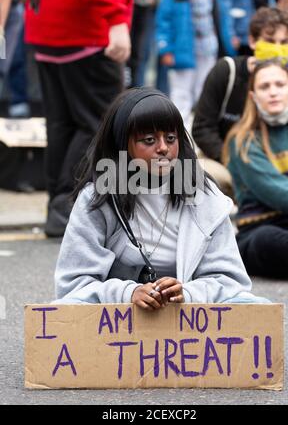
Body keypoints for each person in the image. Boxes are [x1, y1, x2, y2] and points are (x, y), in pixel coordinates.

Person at [54, 87, 269, 306]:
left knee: (259, 307)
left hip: (187, 317)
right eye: (149, 140)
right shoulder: (98, 198)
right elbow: (73, 285)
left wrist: (187, 293)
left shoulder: (204, 195)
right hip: (117, 319)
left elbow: (232, 282)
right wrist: (128, 293)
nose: (163, 148)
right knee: (59, 310)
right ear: (122, 145)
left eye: (170, 138)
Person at [25, 0, 133, 238]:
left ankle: (59, 207)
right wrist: (116, 20)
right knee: (100, 123)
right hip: (85, 29)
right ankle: (67, 206)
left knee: (62, 125)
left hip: (48, 25)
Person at [192, 7, 288, 192]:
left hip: (277, 166)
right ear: (252, 41)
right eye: (270, 41)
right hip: (225, 162)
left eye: (284, 42)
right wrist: (234, 162)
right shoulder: (227, 72)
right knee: (201, 175)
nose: (277, 48)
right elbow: (202, 128)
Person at [222, 60, 288, 278]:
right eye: (265, 87)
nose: (273, 92)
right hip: (262, 228)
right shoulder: (242, 141)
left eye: (279, 85)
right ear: (253, 96)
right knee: (269, 241)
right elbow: (279, 193)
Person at [156, 0, 231, 129]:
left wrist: (226, 42)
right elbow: (163, 21)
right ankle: (180, 134)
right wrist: (165, 48)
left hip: (208, 49)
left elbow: (221, 18)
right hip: (183, 51)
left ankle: (200, 131)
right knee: (181, 93)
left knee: (205, 92)